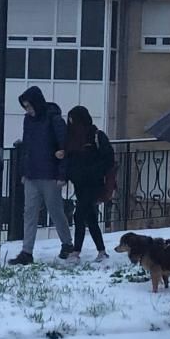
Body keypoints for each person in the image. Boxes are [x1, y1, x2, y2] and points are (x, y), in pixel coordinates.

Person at [8, 86, 75, 265]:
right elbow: (26, 148)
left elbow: (64, 147)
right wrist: (24, 171)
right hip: (32, 174)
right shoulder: (28, 121)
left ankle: (67, 243)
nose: (28, 110)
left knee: (55, 211)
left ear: (37, 103)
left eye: (29, 106)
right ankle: (26, 251)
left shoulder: (54, 119)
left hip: (50, 175)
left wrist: (62, 174)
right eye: (25, 107)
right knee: (29, 213)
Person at [64, 106, 114, 263]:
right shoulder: (71, 139)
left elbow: (108, 158)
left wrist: (93, 171)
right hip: (79, 183)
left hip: (94, 183)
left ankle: (76, 251)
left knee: (79, 215)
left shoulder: (96, 136)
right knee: (90, 217)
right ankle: (101, 251)